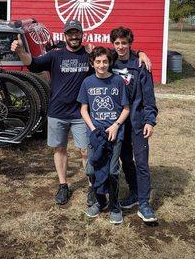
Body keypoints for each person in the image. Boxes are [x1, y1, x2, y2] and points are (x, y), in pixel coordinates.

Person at [11, 20, 151, 206]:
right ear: (65, 35)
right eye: (70, 33)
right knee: (60, 149)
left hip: (81, 113)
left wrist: (140, 52)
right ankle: (63, 185)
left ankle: (93, 187)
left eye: (77, 33)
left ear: (82, 34)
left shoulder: (89, 54)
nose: (74, 36)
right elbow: (33, 64)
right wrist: (20, 51)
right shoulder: (55, 55)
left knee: (87, 151)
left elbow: (115, 52)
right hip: (57, 111)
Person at [110, 26, 159, 223]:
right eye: (117, 43)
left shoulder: (140, 65)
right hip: (118, 122)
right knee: (125, 160)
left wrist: (150, 120)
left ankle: (145, 203)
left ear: (130, 44)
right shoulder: (109, 60)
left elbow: (149, 95)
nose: (121, 47)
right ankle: (134, 193)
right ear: (113, 44)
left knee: (141, 162)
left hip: (137, 121)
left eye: (124, 43)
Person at [78, 47, 130, 224]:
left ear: (110, 62)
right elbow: (83, 109)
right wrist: (92, 128)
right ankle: (100, 201)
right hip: (95, 134)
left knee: (112, 170)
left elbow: (126, 109)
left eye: (105, 61)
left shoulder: (117, 81)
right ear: (92, 63)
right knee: (92, 168)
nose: (102, 65)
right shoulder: (87, 82)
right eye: (98, 61)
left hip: (114, 134)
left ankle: (115, 207)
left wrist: (116, 126)